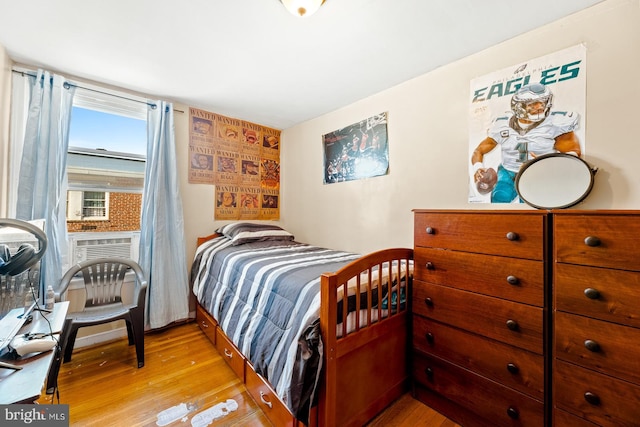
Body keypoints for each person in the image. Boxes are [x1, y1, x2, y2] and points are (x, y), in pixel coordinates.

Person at [471, 83, 581, 203]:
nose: (540, 106)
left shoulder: (556, 123)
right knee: (499, 199)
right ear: (519, 106)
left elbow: (574, 153)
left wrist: (548, 162)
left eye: (543, 101)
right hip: (507, 171)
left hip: (536, 174)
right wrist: (478, 167)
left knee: (530, 207)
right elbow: (479, 150)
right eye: (533, 103)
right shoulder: (502, 125)